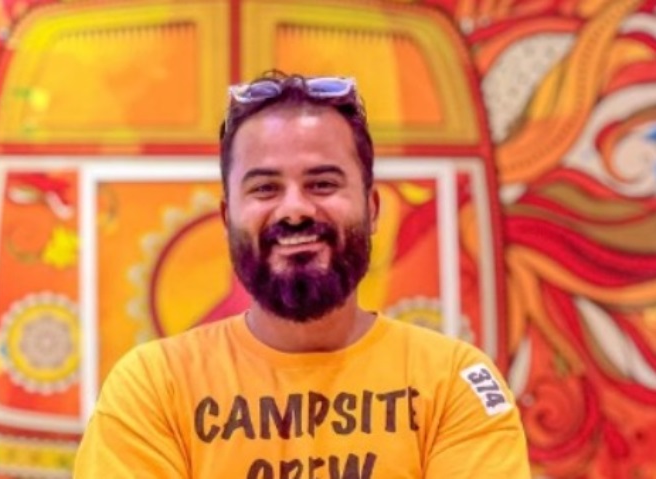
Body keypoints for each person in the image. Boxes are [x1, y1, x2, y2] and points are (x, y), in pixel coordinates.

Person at [74, 71, 531, 478]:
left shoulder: (454, 382)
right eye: (265, 188)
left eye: (322, 184)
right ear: (228, 218)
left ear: (372, 209)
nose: (294, 210)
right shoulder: (154, 386)